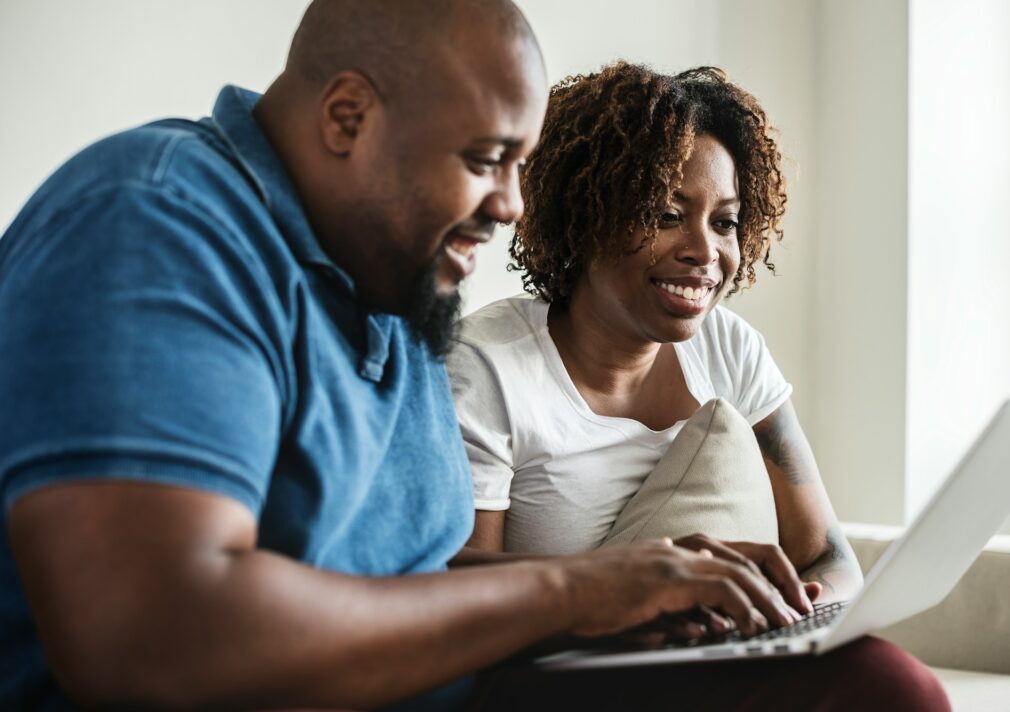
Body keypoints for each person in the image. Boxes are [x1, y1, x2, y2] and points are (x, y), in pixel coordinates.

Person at [0, 1, 948, 709]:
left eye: (519, 164)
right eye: (486, 157)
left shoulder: (394, 282)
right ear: (347, 117)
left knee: (867, 684)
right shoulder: (158, 226)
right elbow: (153, 642)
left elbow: (422, 587)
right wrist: (576, 589)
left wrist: (654, 594)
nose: (512, 207)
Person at [448, 62, 949, 706]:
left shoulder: (729, 347)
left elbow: (829, 557)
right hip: (569, 679)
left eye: (725, 221)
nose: (704, 251)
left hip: (725, 658)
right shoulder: (489, 366)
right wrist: (627, 591)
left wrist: (791, 613)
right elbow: (457, 600)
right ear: (585, 213)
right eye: (665, 213)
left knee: (885, 677)